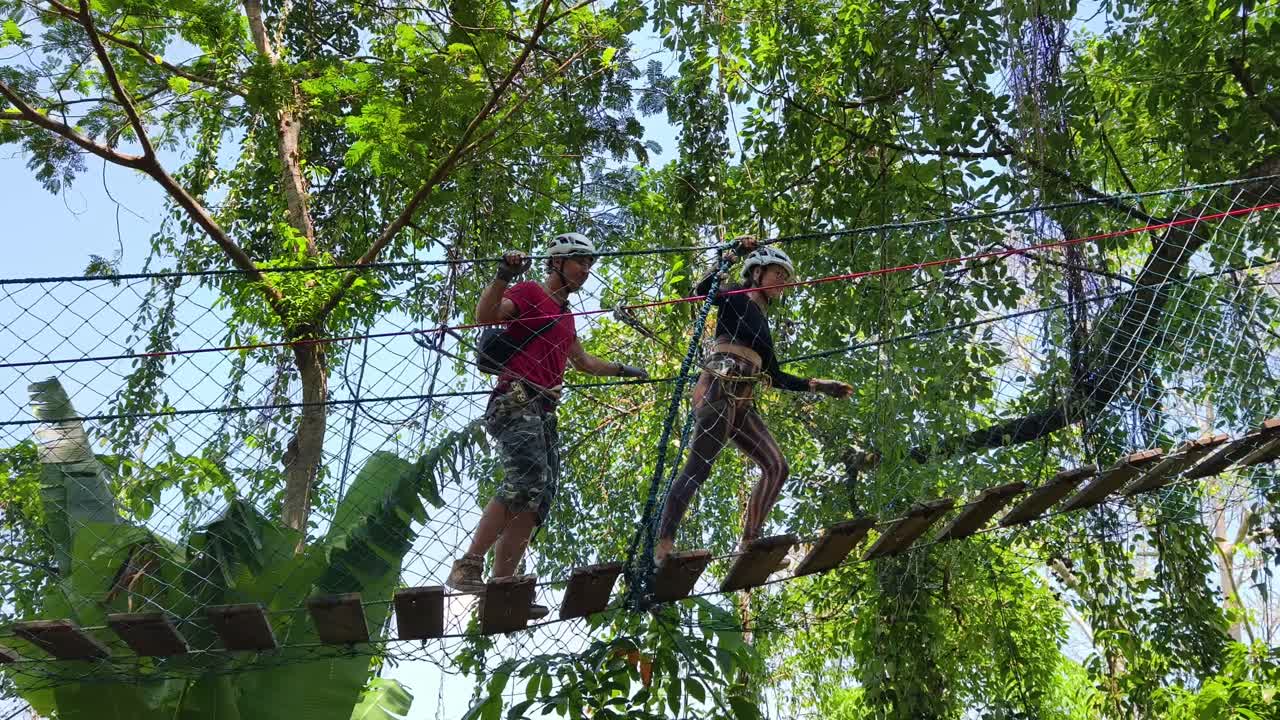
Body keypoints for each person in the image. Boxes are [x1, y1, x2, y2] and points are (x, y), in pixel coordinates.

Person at [447, 232, 648, 619]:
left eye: (590, 264)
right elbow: (485, 316)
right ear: (557, 263)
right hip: (515, 400)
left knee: (537, 498)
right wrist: (504, 274)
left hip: (543, 410)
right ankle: (468, 564)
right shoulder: (528, 292)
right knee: (525, 480)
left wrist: (625, 369)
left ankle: (501, 587)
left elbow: (584, 364)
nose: (586, 271)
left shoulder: (567, 317)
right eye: (579, 262)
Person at [654, 239, 853, 567]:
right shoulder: (734, 297)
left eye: (786, 277)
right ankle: (663, 545)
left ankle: (749, 543)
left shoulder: (763, 325)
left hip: (743, 398)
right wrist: (732, 256)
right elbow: (704, 289)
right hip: (721, 385)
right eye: (778, 273)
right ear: (757, 273)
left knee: (777, 467)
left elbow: (775, 376)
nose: (783, 282)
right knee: (698, 467)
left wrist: (820, 386)